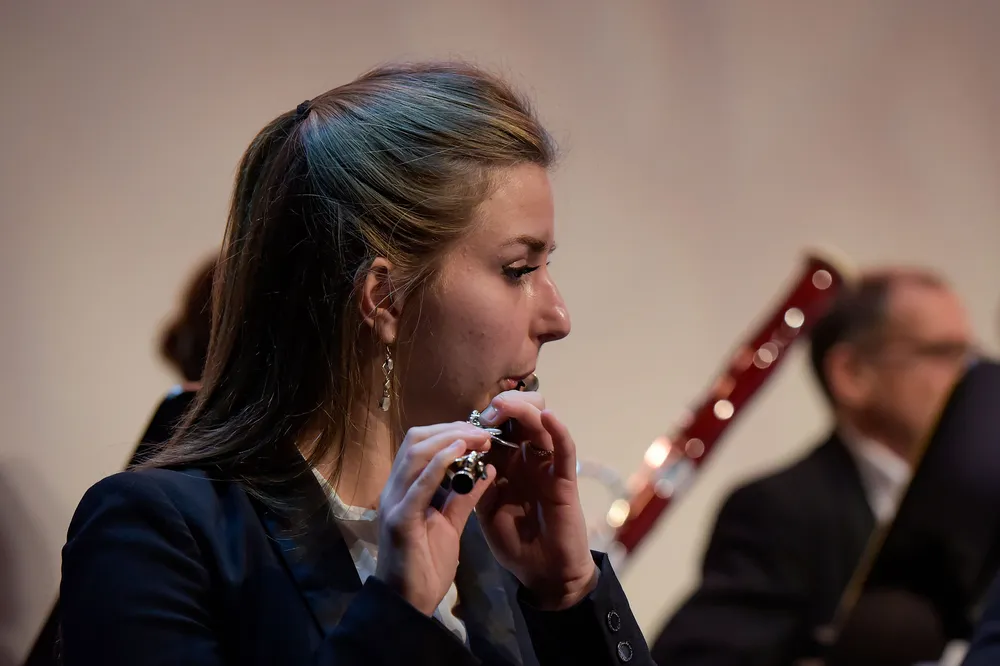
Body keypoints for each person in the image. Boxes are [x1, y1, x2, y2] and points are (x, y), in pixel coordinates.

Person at [58, 62, 654, 666]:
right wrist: (397, 611)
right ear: (385, 299)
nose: (559, 317)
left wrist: (568, 594)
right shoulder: (157, 535)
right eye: (518, 270)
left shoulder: (488, 535)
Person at [650, 268, 976, 666]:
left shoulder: (971, 498)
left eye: (971, 356)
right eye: (943, 353)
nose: (968, 377)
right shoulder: (779, 510)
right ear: (852, 374)